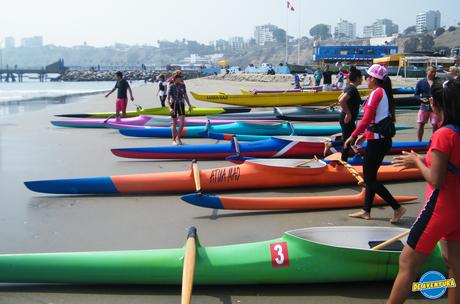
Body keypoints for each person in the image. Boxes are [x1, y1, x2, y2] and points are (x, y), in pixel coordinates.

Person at [388, 79, 460, 304]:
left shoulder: (443, 135)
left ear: (437, 103)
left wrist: (417, 161)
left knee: (407, 264)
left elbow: (437, 181)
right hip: (458, 212)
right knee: (455, 268)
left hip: (439, 211)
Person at [344, 64, 406, 223]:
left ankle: (397, 208)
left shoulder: (376, 93)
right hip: (378, 139)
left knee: (369, 178)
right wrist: (364, 136)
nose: (366, 79)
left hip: (378, 141)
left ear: (373, 79)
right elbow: (376, 120)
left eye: (368, 76)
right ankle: (366, 210)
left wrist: (353, 135)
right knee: (370, 176)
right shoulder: (381, 92)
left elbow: (366, 118)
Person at [338, 66, 363, 161]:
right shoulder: (352, 89)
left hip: (346, 118)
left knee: (351, 138)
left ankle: (345, 159)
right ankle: (343, 162)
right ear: (357, 78)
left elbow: (339, 98)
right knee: (349, 140)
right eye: (361, 78)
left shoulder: (349, 87)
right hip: (347, 118)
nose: (362, 80)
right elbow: (341, 101)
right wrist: (348, 113)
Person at [415, 66, 440, 141]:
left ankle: (434, 141)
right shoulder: (421, 82)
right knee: (420, 124)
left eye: (435, 72)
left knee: (435, 125)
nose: (433, 73)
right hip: (424, 105)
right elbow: (416, 94)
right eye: (432, 71)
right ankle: (419, 142)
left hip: (435, 106)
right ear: (427, 71)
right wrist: (421, 98)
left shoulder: (438, 82)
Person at [167, 73, 192, 145]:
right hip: (174, 105)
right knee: (174, 123)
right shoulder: (171, 86)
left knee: (182, 123)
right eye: (179, 78)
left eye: (181, 78)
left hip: (181, 104)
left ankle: (178, 137)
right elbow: (168, 98)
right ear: (175, 79)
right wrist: (170, 108)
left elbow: (185, 95)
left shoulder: (183, 85)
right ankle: (173, 139)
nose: (181, 79)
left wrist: (189, 104)